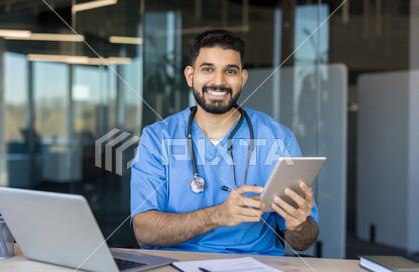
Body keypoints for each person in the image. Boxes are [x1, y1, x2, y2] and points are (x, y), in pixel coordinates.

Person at [130, 29, 318, 255]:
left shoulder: (278, 138)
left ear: (243, 78)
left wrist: (298, 226)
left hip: (255, 268)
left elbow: (303, 241)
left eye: (230, 71)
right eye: (208, 69)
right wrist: (218, 215)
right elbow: (144, 231)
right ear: (190, 76)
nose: (218, 82)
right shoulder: (157, 138)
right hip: (174, 266)